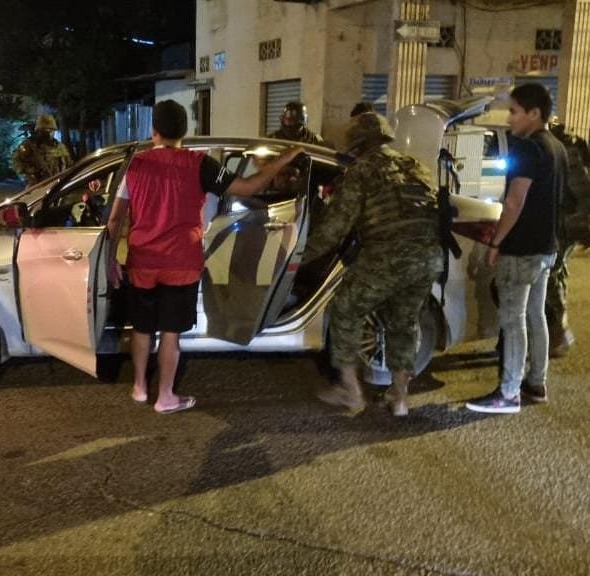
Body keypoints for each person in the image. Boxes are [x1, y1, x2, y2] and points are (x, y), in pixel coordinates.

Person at [105, 99, 304, 414]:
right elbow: (250, 187)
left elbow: (115, 220)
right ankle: (166, 397)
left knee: (142, 328)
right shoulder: (200, 164)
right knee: (170, 333)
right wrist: (286, 157)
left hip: (142, 259)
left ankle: (140, 386)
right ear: (185, 131)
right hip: (182, 262)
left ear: (153, 131)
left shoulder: (135, 164)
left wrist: (109, 261)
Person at [305, 112, 443, 417]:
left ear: (358, 143)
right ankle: (399, 398)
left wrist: (300, 258)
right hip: (428, 257)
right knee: (403, 323)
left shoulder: (362, 171)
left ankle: (350, 391)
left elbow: (335, 226)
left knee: (344, 308)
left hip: (388, 257)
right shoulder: (416, 166)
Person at [466, 83, 566, 414]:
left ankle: (508, 393)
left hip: (522, 249)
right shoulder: (557, 147)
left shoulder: (528, 148)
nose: (509, 118)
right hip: (546, 248)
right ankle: (536, 384)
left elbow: (514, 200)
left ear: (534, 114)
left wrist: (496, 242)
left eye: (514, 111)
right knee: (535, 315)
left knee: (513, 319)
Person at [544, 119, 590, 357]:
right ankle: (556, 330)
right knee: (557, 270)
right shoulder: (566, 146)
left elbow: (579, 191)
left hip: (566, 224)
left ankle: (560, 332)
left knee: (551, 271)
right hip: (566, 222)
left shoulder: (566, 150)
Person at [12, 113, 72, 183]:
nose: (48, 133)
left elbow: (69, 165)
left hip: (58, 185)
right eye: (45, 130)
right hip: (37, 185)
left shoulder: (61, 147)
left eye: (51, 130)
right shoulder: (29, 145)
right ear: (39, 131)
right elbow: (17, 161)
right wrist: (30, 172)